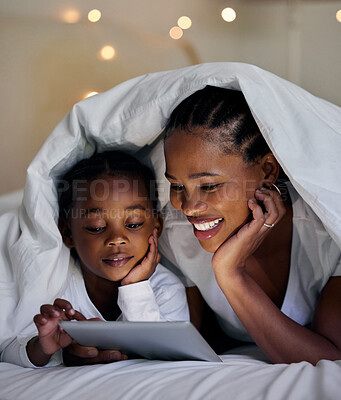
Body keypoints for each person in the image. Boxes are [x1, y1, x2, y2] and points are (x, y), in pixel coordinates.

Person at [161, 85, 341, 365]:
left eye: (209, 185)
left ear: (267, 170)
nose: (188, 206)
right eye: (176, 185)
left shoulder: (329, 232)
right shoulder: (173, 235)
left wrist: (231, 274)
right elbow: (184, 345)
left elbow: (332, 361)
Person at [1, 150, 189, 367]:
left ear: (156, 226)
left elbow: (168, 356)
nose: (117, 239)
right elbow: (8, 349)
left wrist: (135, 287)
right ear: (68, 233)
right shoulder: (54, 287)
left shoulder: (166, 289)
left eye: (134, 224)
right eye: (96, 227)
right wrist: (43, 347)